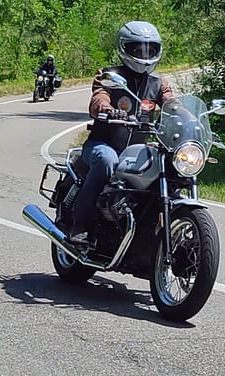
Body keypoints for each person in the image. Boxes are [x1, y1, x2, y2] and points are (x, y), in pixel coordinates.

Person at [69, 21, 176, 245]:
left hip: (137, 150)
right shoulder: (109, 75)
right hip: (103, 143)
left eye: (150, 49)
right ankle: (81, 225)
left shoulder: (158, 82)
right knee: (107, 161)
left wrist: (187, 117)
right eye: (138, 49)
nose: (144, 54)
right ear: (124, 48)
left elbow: (171, 103)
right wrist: (105, 108)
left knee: (167, 166)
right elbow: (100, 96)